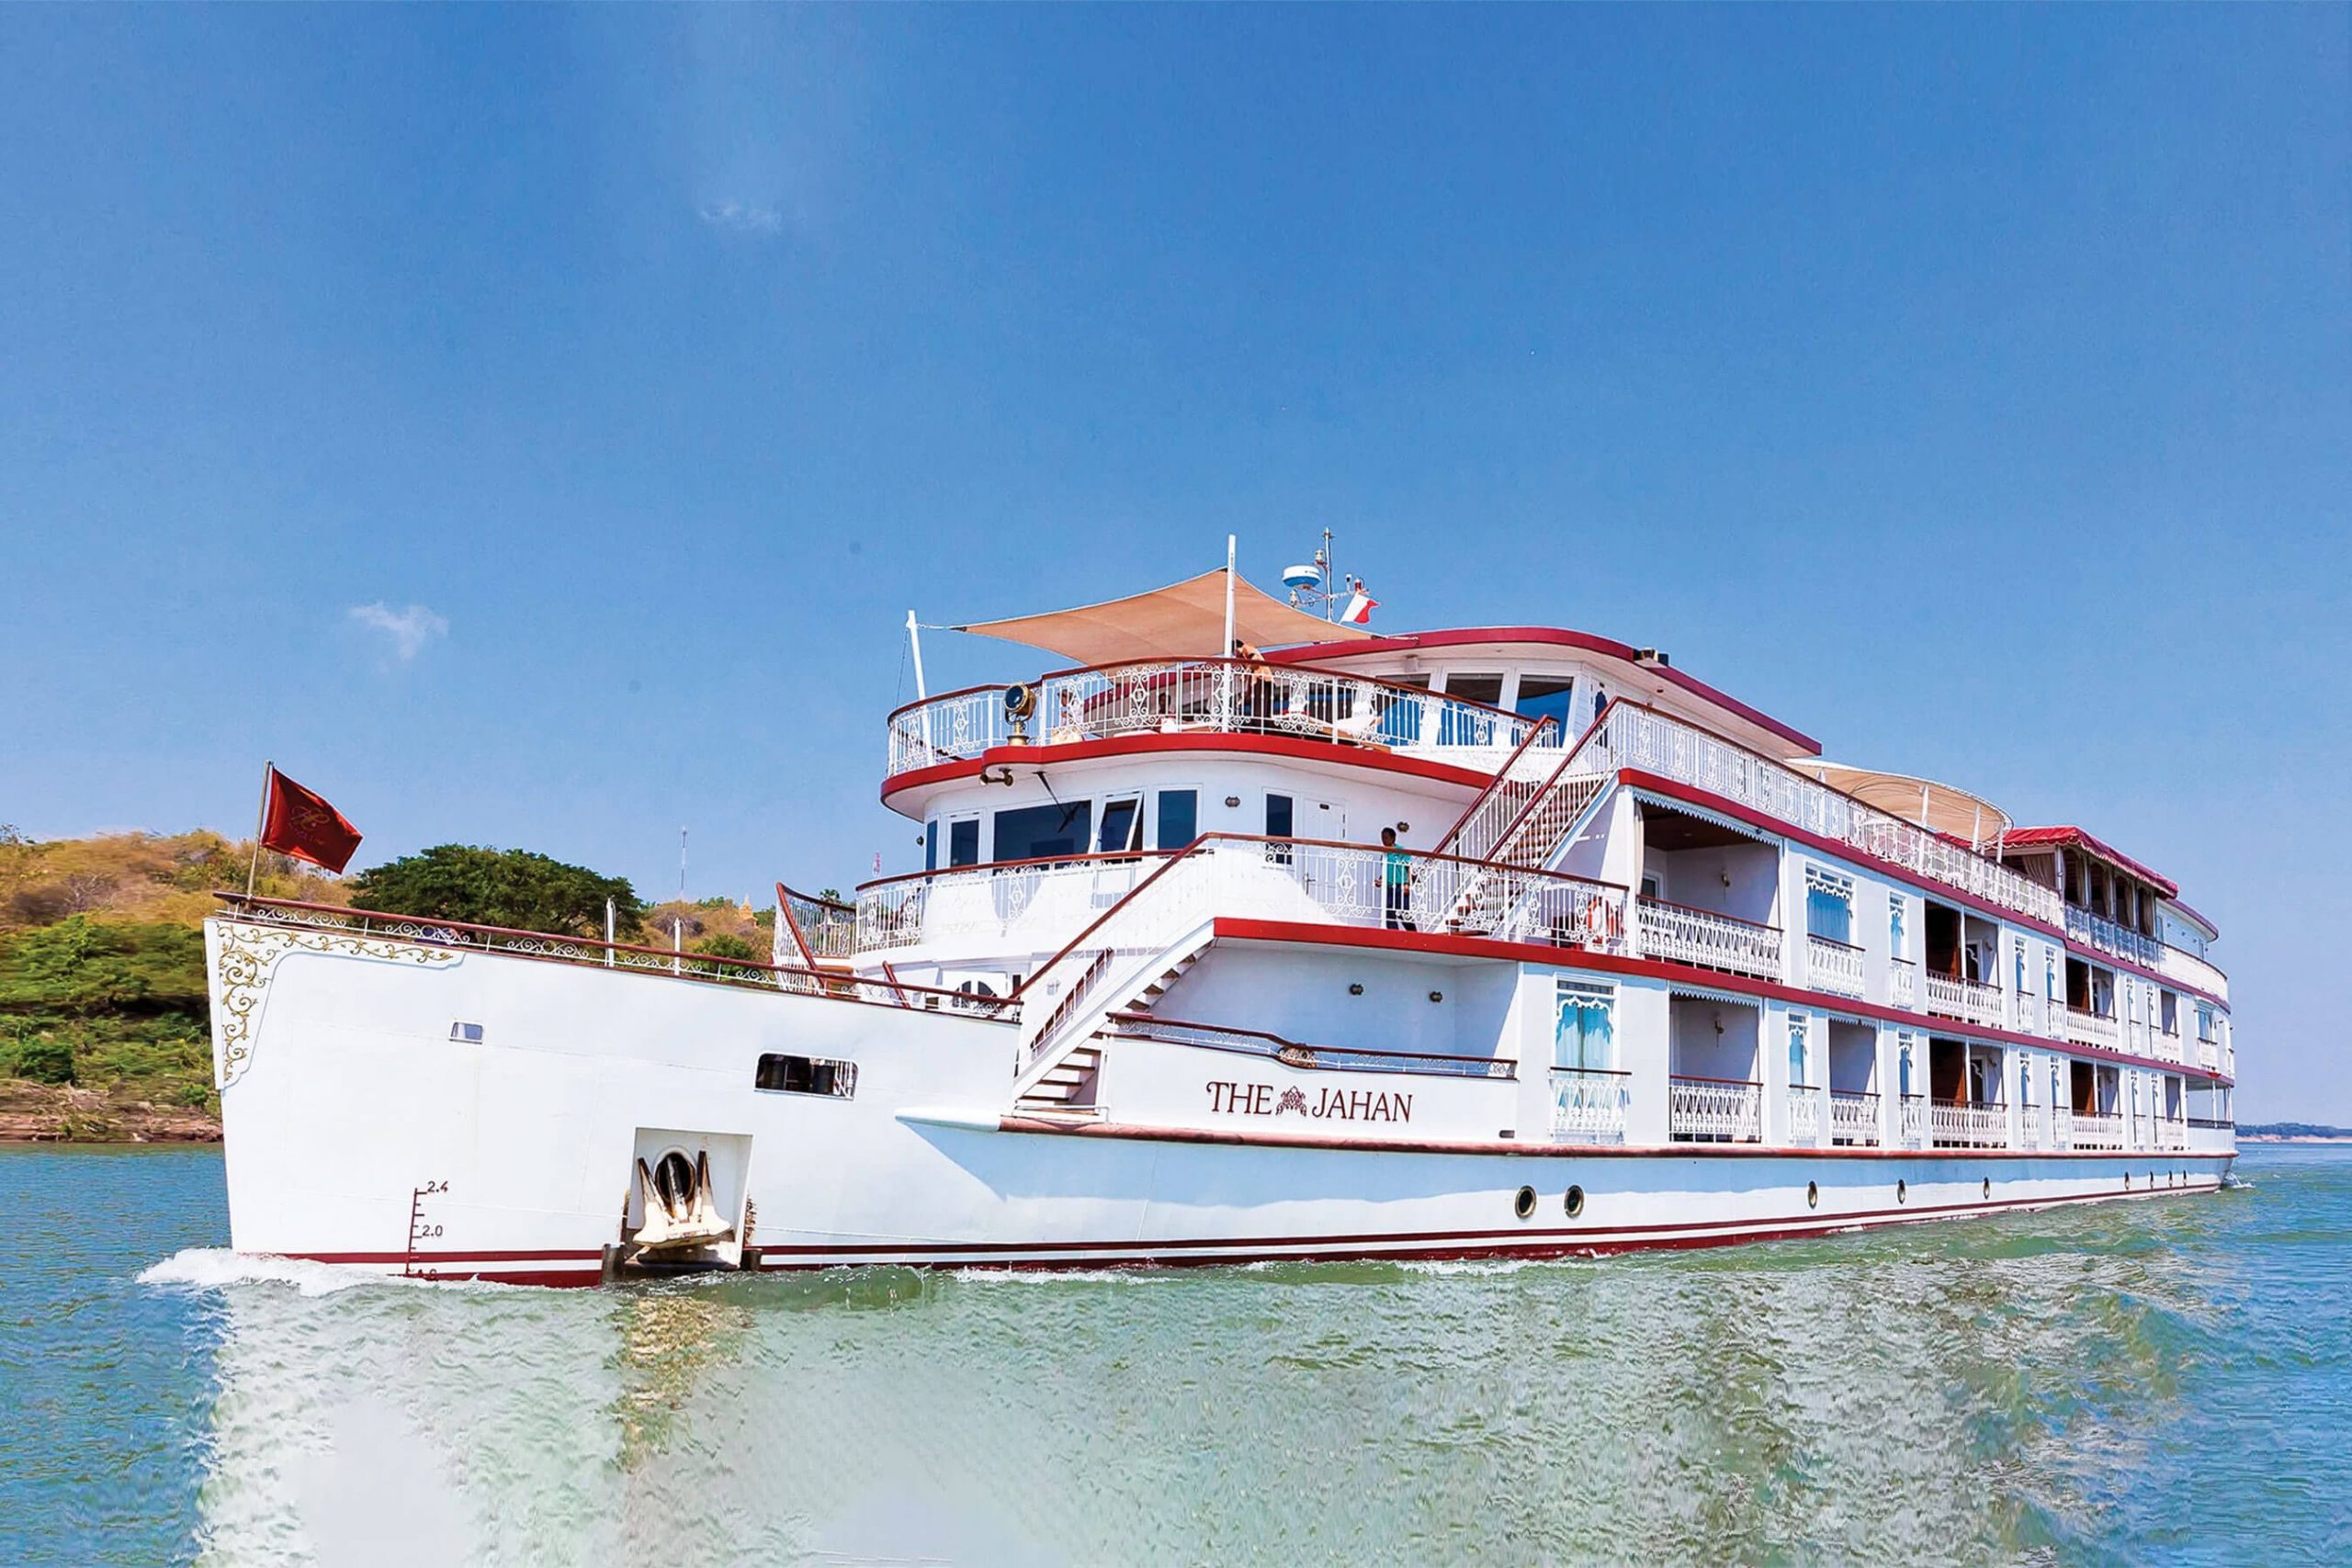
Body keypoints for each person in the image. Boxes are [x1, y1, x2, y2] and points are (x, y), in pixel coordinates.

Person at [1380, 826, 1417, 931]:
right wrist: (1381, 880)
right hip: (1389, 886)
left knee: (1403, 911)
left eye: (1386, 837)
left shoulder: (1400, 850)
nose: (1384, 840)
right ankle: (1393, 933)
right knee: (1389, 911)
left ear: (1393, 838)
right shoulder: (1384, 853)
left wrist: (1407, 884)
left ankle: (1413, 933)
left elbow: (1408, 867)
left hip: (1400, 885)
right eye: (1382, 838)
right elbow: (1384, 870)